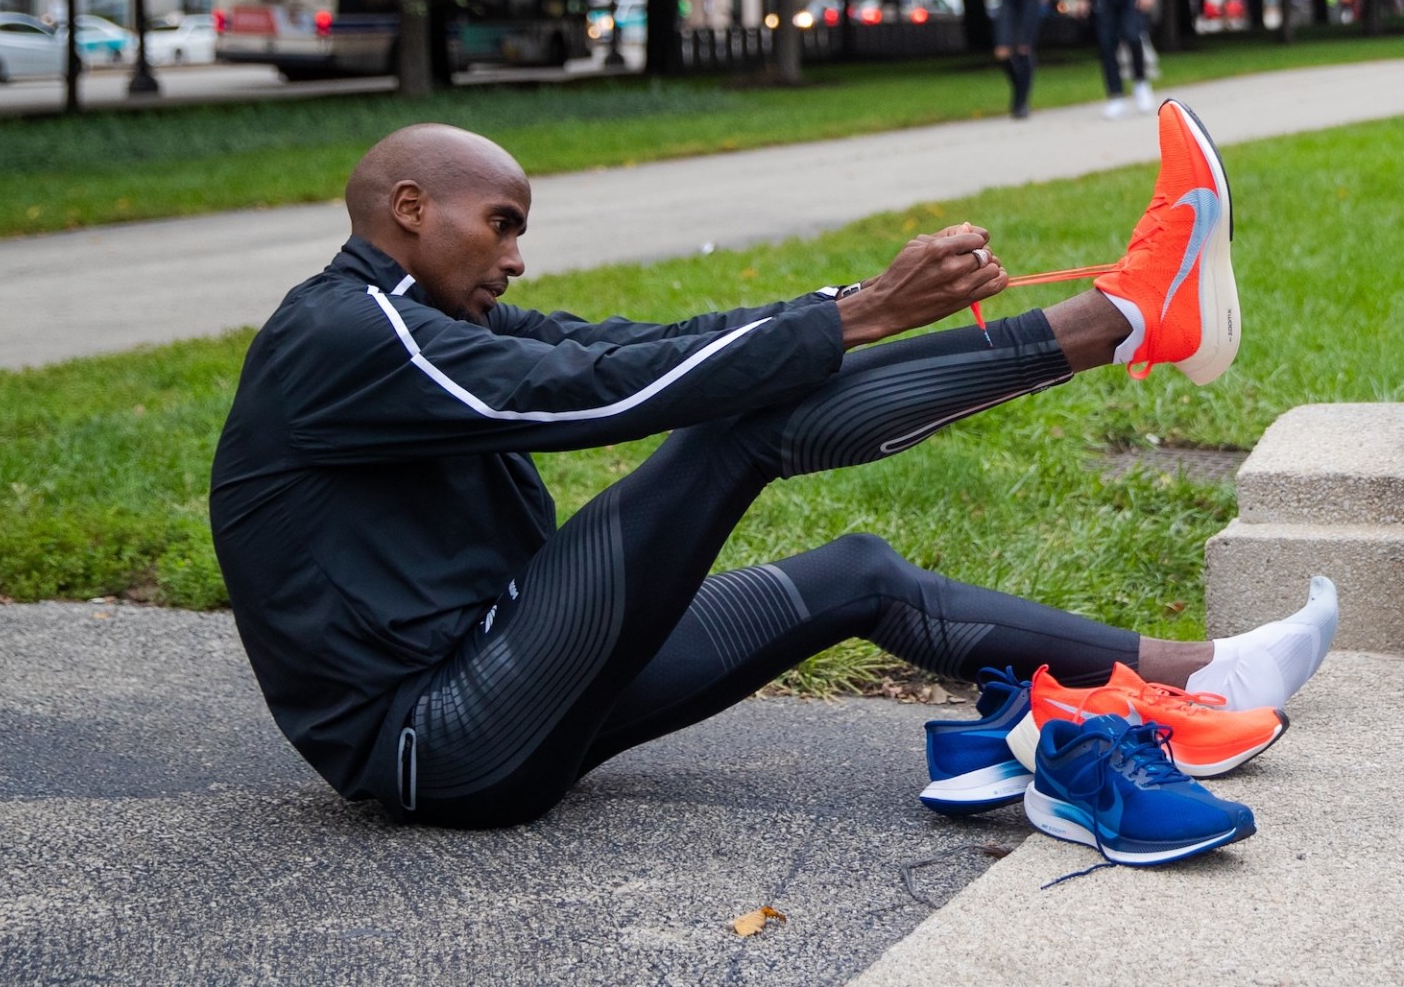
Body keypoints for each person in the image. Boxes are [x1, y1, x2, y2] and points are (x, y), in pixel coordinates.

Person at [210, 103, 1329, 829]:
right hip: (440, 740)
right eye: (499, 224)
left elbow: (622, 347)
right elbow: (602, 399)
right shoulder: (343, 336)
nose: (514, 255)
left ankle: (1207, 673)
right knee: (732, 434)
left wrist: (852, 310)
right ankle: (1122, 318)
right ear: (409, 209)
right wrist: (868, 313)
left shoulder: (428, 321)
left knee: (859, 576)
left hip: (514, 694)